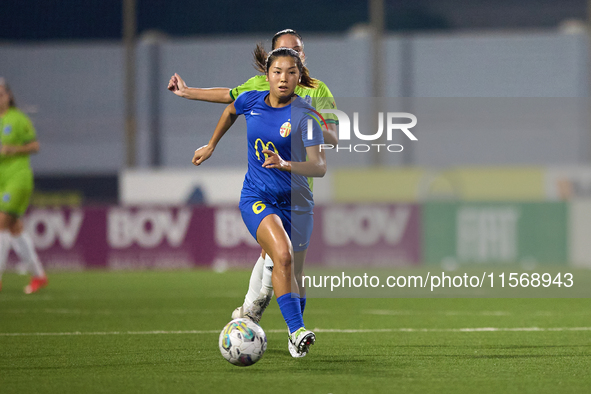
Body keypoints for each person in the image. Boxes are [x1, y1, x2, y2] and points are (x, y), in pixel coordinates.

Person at [169, 29, 337, 329]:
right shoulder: (262, 86)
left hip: (297, 190)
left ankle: (257, 312)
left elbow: (333, 138)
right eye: (284, 54)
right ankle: (258, 313)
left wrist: (304, 126)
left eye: (297, 51)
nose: (290, 61)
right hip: (265, 186)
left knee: (289, 265)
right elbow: (230, 99)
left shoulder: (318, 91)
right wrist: (187, 92)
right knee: (276, 253)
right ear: (270, 64)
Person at [191, 48, 326, 357]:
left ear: (298, 77)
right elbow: (229, 111)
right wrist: (211, 145)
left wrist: (286, 163)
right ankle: (296, 331)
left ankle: (279, 321)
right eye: (277, 71)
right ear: (267, 76)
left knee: (293, 272)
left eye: (290, 72)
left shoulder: (305, 116)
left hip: (296, 202)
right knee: (282, 254)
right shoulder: (251, 100)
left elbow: (319, 166)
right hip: (257, 197)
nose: (283, 78)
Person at [0, 78, 47, 294]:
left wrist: (13, 150)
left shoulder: (18, 119)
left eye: (1, 93)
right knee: (14, 227)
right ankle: (38, 275)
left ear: (9, 96)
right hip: (2, 179)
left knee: (1, 222)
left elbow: (35, 145)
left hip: (18, 178)